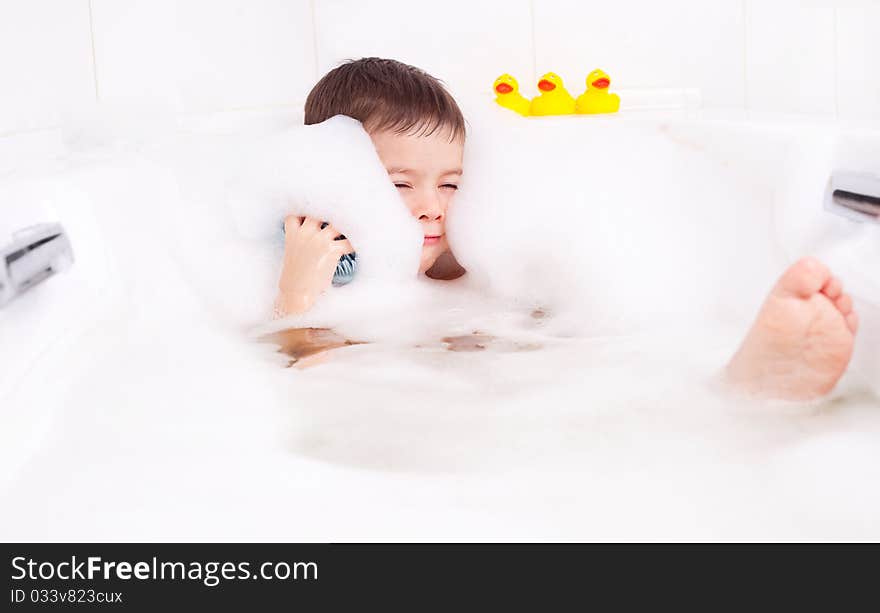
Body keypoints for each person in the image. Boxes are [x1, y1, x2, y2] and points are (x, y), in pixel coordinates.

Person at [272, 58, 858, 400]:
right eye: (401, 184)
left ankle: (742, 386)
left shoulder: (479, 254)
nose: (432, 207)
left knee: (604, 376)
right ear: (336, 178)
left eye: (450, 184)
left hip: (501, 391)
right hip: (397, 406)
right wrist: (296, 301)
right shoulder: (309, 267)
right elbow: (294, 380)